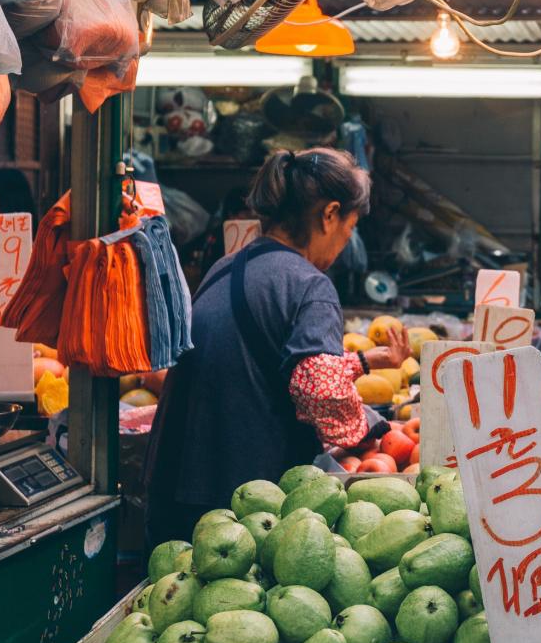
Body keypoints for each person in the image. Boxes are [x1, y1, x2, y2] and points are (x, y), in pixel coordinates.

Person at [144, 148, 410, 548]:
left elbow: (265, 359)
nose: (344, 242)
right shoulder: (309, 285)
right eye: (350, 228)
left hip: (177, 492)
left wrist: (360, 362)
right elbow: (317, 388)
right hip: (245, 510)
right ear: (330, 214)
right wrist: (369, 427)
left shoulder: (226, 268)